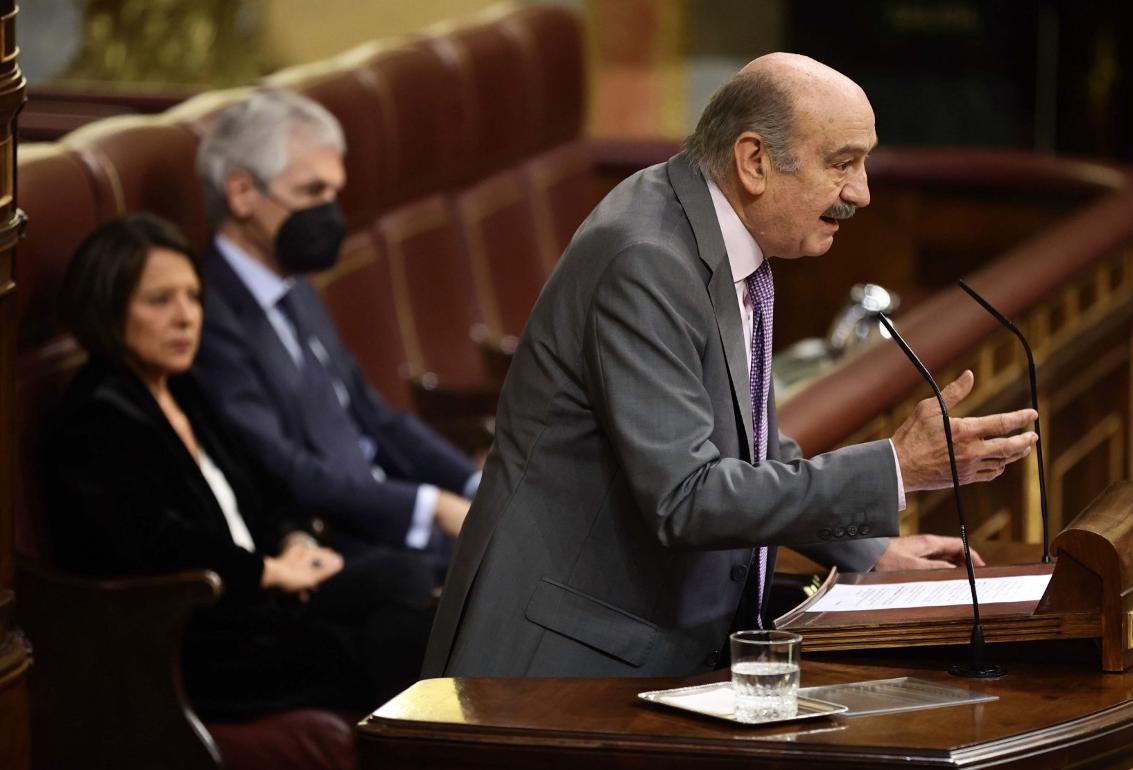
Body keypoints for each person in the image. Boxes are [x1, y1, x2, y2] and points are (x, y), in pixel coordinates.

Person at [422, 54, 1039, 679]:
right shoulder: (648, 259)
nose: (862, 191)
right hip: (558, 668)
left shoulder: (713, 232)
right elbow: (685, 497)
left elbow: (749, 444)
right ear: (754, 161)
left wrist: (870, 551)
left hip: (637, 643)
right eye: (842, 163)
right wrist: (896, 469)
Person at [45, 213, 434, 718]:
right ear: (108, 309)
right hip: (206, 635)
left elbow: (267, 489)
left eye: (192, 297)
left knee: (404, 577)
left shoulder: (181, 388)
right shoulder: (95, 418)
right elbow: (158, 546)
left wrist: (296, 541)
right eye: (160, 301)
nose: (186, 317)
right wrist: (269, 571)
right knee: (403, 640)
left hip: (266, 599)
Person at [191, 89, 478, 572]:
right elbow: (283, 467)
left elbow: (374, 416)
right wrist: (431, 506)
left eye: (334, 193)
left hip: (388, 515)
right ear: (242, 193)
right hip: (332, 544)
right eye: (311, 192)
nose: (330, 213)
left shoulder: (294, 283)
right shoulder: (206, 311)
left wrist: (475, 487)